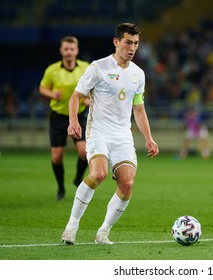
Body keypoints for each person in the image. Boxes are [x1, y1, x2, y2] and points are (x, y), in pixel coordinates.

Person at [61, 23, 159, 245]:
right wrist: (73, 121)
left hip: (122, 136)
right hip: (98, 132)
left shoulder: (138, 74)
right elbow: (76, 96)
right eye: (128, 42)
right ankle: (72, 226)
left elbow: (139, 109)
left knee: (127, 184)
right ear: (116, 42)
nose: (132, 48)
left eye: (136, 43)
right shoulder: (98, 67)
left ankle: (103, 232)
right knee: (98, 173)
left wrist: (148, 138)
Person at [39, 36, 90, 200]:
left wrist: (89, 99)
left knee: (85, 152)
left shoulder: (86, 68)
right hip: (58, 117)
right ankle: (61, 188)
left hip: (79, 114)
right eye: (66, 49)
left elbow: (93, 88)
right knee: (57, 156)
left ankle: (77, 178)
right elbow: (42, 88)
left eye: (72, 49)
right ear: (61, 51)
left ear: (77, 50)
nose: (69, 52)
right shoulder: (52, 70)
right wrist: (52, 94)